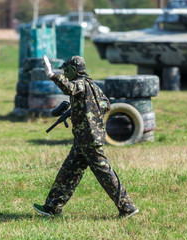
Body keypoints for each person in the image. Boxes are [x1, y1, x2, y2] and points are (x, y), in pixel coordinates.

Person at [33, 55, 138, 219]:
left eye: (66, 70)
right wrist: (83, 108)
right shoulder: (93, 86)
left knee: (105, 173)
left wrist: (52, 75)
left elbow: (69, 88)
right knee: (68, 172)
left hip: (89, 139)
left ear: (74, 70)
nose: (65, 73)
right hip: (83, 139)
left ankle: (128, 208)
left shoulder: (80, 84)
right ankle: (52, 207)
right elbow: (105, 104)